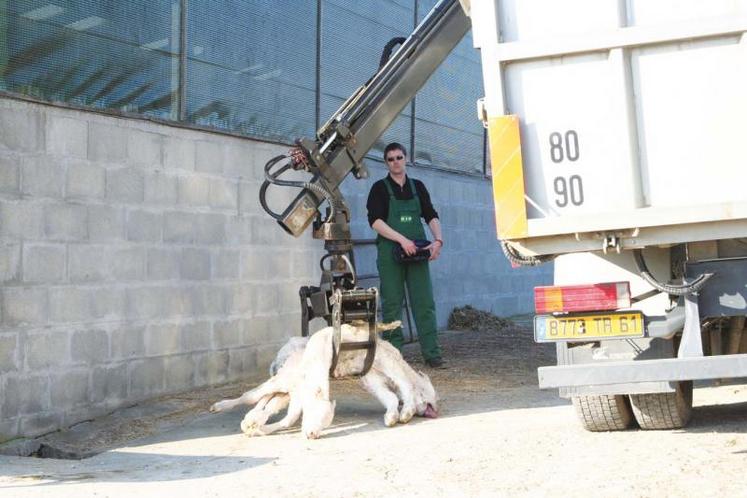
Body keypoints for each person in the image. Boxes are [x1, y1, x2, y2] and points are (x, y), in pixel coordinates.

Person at [366, 142, 445, 368]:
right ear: (386, 162)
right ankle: (394, 357)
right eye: (390, 159)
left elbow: (430, 214)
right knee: (392, 304)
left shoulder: (417, 186)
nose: (395, 162)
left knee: (424, 302)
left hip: (417, 254)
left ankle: (432, 354)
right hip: (391, 254)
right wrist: (402, 240)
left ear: (406, 158)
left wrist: (438, 240)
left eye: (399, 157)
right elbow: (376, 221)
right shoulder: (379, 188)